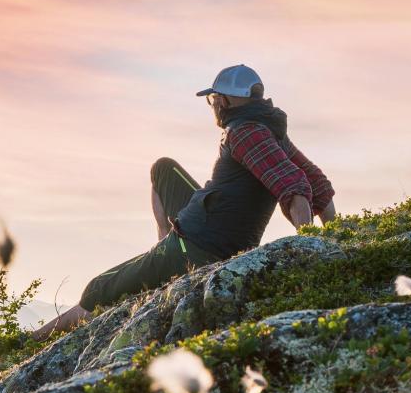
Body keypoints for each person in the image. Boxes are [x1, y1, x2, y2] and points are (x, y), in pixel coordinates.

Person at [32, 64, 336, 339]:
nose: (213, 105)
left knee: (100, 287)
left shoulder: (245, 133)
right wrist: (334, 236)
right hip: (208, 225)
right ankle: (163, 245)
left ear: (226, 100)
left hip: (199, 244)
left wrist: (306, 249)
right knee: (162, 168)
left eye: (213, 98)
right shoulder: (267, 130)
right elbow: (317, 183)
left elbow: (295, 189)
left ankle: (32, 341)